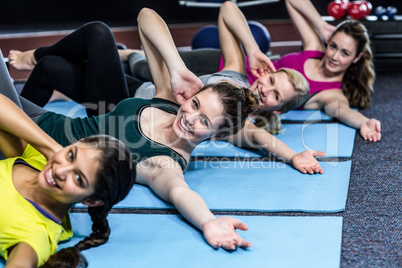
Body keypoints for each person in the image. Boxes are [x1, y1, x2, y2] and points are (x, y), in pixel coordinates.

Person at [6, 8, 325, 249]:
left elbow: (180, 192)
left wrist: (209, 222)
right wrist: (176, 67)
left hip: (28, 147)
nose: (190, 118)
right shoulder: (168, 101)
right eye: (196, 105)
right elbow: (146, 16)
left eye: (204, 122)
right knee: (52, 67)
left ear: (217, 135)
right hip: (37, 119)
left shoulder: (165, 163)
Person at [124, 0, 381, 143]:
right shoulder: (315, 47)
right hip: (231, 67)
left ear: (356, 58)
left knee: (147, 76)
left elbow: (344, 111)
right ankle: (123, 54)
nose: (334, 56)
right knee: (143, 63)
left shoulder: (330, 93)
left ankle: (119, 57)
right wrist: (323, 27)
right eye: (334, 46)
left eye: (344, 53)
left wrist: (363, 123)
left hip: (228, 83)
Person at [0, 58, 135, 267]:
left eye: (78, 178)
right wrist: (52, 149)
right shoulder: (37, 162)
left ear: (91, 201)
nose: (62, 170)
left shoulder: (35, 235)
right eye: (71, 156)